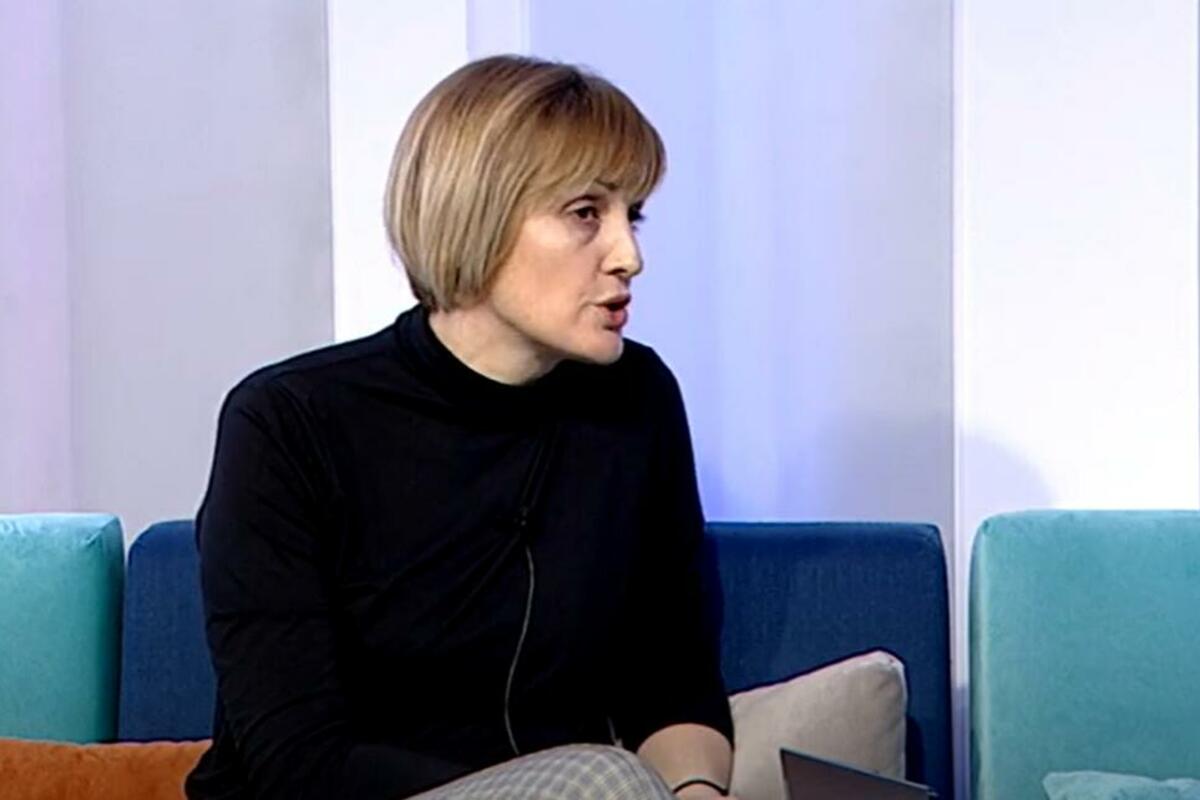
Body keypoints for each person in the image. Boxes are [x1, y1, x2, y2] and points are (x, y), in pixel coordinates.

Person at [185, 54, 736, 800]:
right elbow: (298, 763)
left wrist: (696, 794)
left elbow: (671, 680)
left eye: (630, 215)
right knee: (603, 778)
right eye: (586, 214)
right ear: (478, 213)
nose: (629, 257)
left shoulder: (638, 399)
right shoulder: (289, 422)